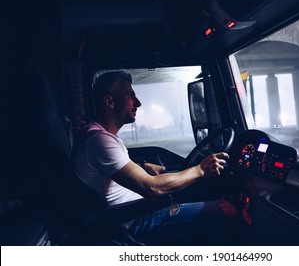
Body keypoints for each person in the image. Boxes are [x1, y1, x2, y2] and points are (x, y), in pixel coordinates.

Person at [72, 70, 242, 245]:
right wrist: (200, 170)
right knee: (225, 211)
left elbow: (111, 169)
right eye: (130, 95)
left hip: (133, 212)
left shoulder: (96, 136)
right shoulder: (100, 140)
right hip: (132, 220)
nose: (138, 102)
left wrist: (143, 166)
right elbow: (151, 188)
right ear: (109, 102)